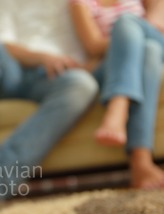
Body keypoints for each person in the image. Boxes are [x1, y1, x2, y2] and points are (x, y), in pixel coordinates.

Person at [0, 0, 98, 201]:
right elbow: (0, 41)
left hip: (58, 75)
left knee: (84, 85)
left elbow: (94, 41)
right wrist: (42, 57)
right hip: (11, 70)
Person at [69, 0, 164, 188]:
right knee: (148, 51)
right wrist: (128, 40)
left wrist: (128, 33)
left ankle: (118, 105)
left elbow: (156, 21)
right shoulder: (80, 3)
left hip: (154, 38)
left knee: (128, 23)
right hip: (114, 64)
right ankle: (140, 162)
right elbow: (93, 45)